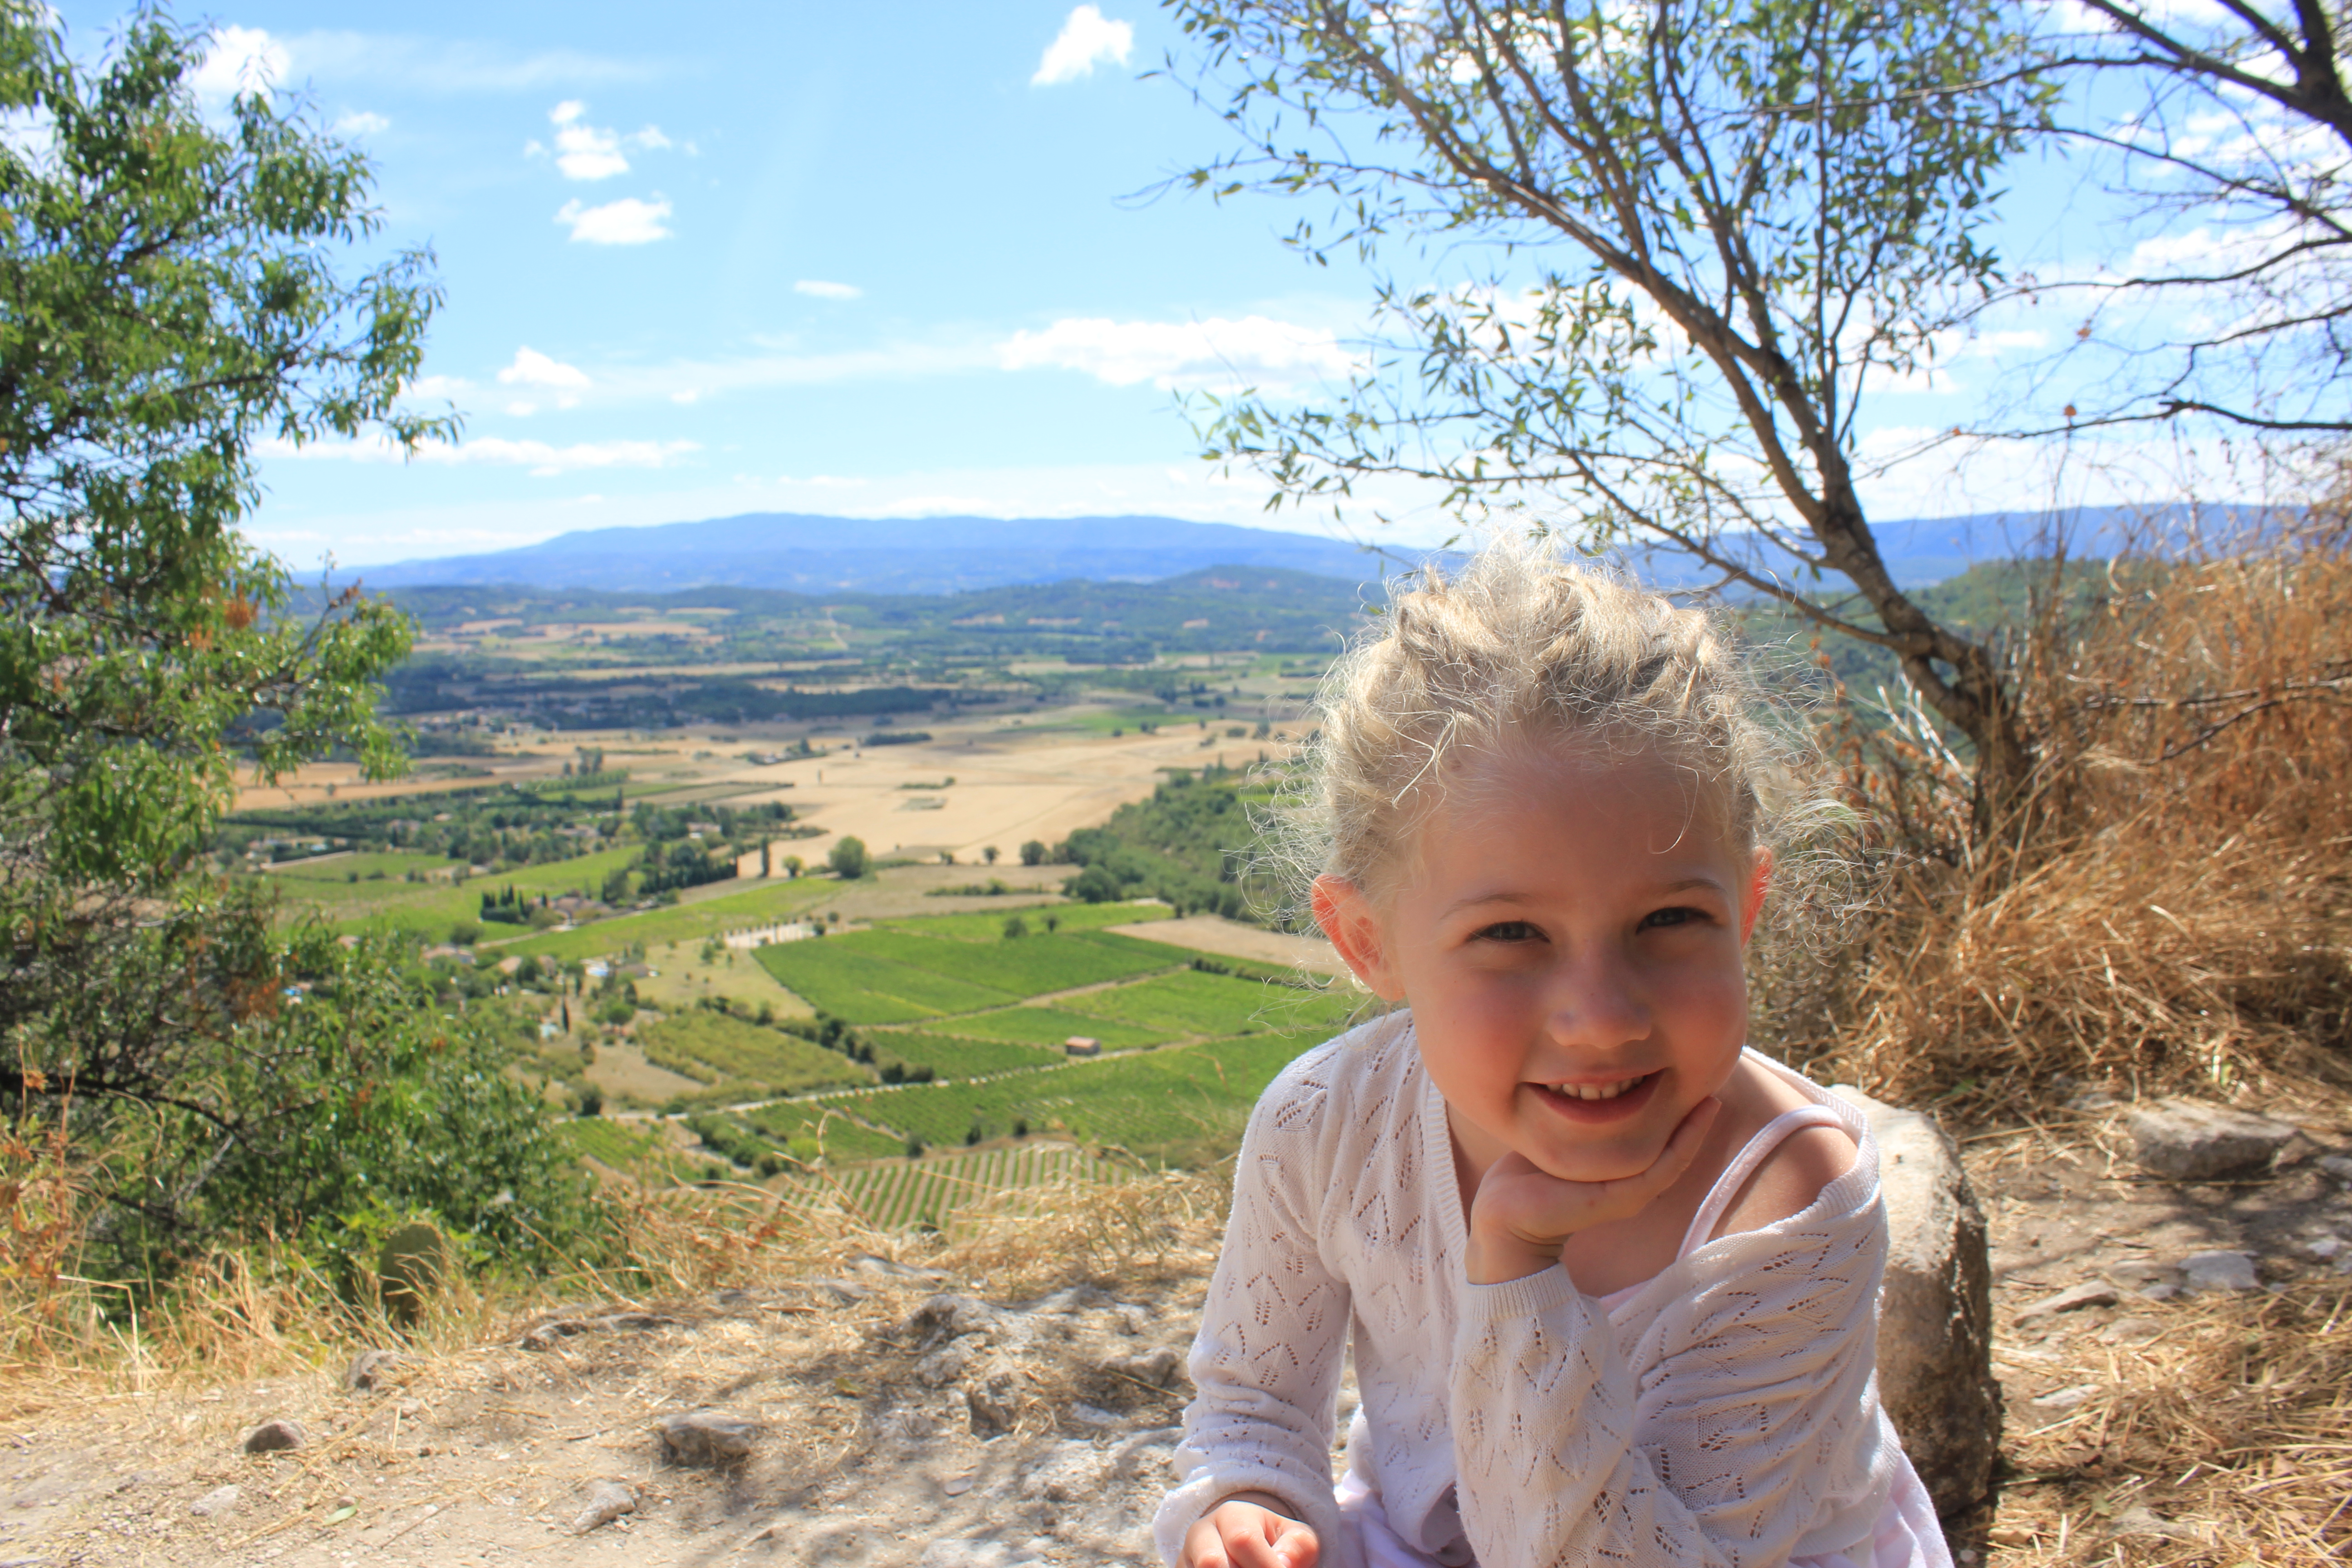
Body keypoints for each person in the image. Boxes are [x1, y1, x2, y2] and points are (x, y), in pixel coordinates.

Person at [1154, 543, 1948, 1568]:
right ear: (1368, 941)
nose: (1602, 1018)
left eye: (1668, 918)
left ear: (1745, 911)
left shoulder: (1789, 1201)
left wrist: (1517, 1267)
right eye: (1512, 936)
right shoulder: (1326, 1125)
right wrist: (1252, 1504)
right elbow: (1253, 1403)